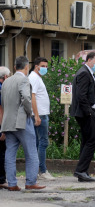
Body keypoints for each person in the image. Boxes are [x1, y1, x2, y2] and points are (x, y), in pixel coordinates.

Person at [1, 56, 45, 191]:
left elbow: (3, 102)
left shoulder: (7, 81)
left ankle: (12, 184)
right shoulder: (24, 80)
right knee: (31, 152)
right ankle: (30, 182)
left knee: (10, 153)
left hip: (7, 121)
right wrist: (29, 112)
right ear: (27, 67)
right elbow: (26, 97)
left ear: (15, 67)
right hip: (21, 121)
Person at [70, 52, 95, 182]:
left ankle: (82, 172)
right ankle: (80, 170)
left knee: (86, 141)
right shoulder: (84, 73)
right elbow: (81, 95)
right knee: (93, 140)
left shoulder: (89, 72)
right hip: (86, 113)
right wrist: (89, 112)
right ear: (89, 60)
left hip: (89, 112)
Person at [28, 57, 55, 181]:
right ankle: (42, 171)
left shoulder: (37, 77)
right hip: (39, 115)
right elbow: (32, 97)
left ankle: (37, 170)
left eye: (46, 66)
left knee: (38, 143)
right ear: (36, 66)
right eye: (43, 66)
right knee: (43, 142)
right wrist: (37, 115)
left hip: (41, 114)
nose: (45, 68)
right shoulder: (33, 78)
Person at [0, 67, 10, 189]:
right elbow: (1, 110)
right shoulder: (1, 89)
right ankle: (1, 179)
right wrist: (3, 128)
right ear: (6, 77)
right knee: (2, 152)